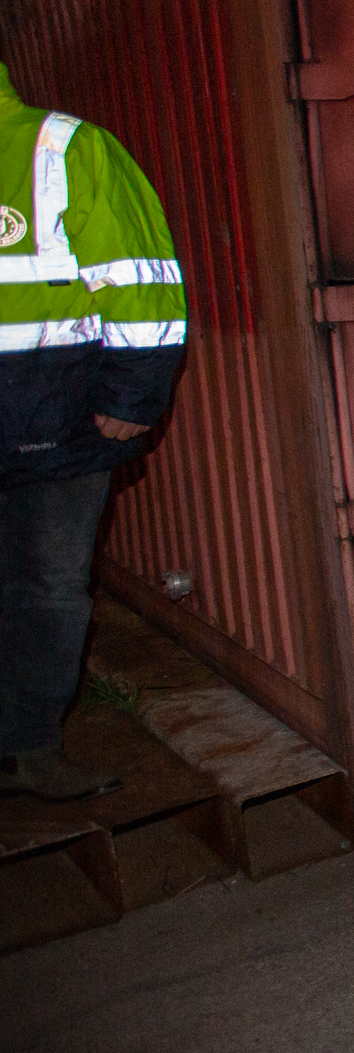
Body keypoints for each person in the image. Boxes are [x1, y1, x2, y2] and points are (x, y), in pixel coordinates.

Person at [0, 63, 185, 799]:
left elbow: (140, 281)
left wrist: (136, 397)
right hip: (49, 412)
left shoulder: (61, 148)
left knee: (47, 585)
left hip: (56, 417)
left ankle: (28, 747)